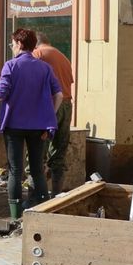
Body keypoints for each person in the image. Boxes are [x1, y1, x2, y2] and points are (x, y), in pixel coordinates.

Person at [0, 28, 63, 219]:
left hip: (14, 126)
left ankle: (15, 214)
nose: (12, 47)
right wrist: (50, 115)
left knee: (15, 170)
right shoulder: (45, 68)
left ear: (19, 44)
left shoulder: (10, 66)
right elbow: (58, 94)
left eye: (12, 44)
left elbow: (1, 95)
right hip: (39, 127)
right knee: (37, 169)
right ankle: (41, 210)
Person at [34, 32, 75, 194]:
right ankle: (56, 196)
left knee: (37, 153)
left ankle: (37, 197)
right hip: (66, 105)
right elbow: (68, 81)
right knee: (58, 155)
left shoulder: (38, 54)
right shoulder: (63, 57)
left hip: (49, 106)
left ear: (35, 44)